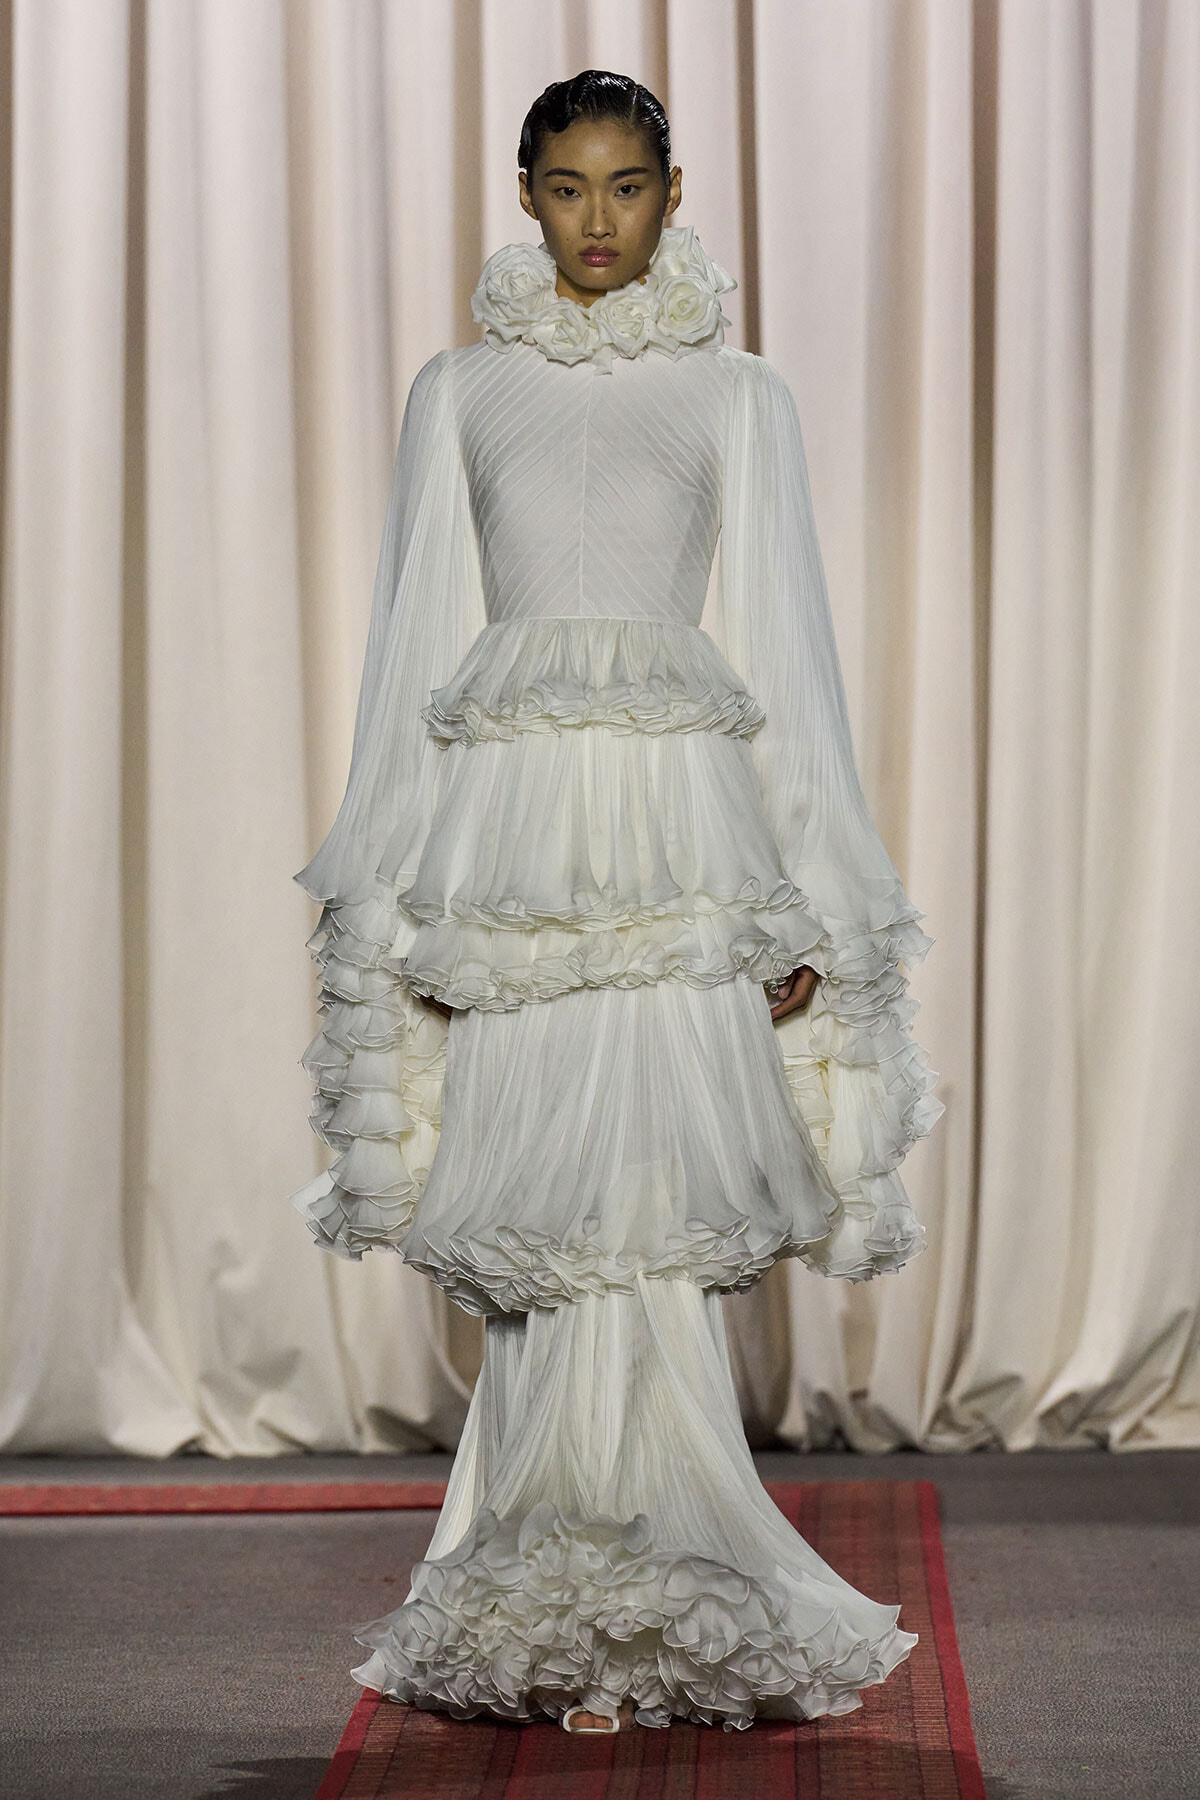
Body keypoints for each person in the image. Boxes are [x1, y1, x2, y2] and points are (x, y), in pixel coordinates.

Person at [289, 69, 944, 1736]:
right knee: (540, 1215)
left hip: (678, 851)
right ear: (525, 193)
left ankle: (676, 1553)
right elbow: (410, 651)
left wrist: (805, 904)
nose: (599, 219)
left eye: (628, 186)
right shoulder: (459, 391)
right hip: (514, 859)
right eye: (569, 186)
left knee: (653, 1205)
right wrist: (399, 898)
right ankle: (527, 1560)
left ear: (672, 193)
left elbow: (792, 655)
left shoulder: (740, 396)